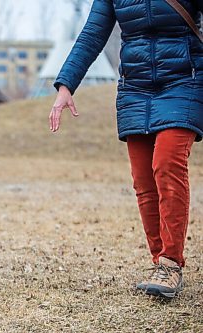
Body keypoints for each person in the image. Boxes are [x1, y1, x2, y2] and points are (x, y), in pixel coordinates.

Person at [49, 0, 202, 299]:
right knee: (144, 181)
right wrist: (65, 86)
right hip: (136, 87)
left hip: (185, 79)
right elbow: (93, 34)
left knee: (168, 163)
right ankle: (160, 263)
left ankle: (171, 263)